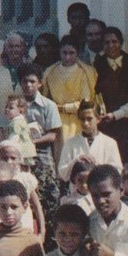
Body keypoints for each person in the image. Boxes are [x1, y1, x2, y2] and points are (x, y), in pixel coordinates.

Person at [42, 35, 98, 166]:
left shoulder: (84, 72)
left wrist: (63, 108)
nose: (67, 57)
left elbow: (86, 101)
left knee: (79, 156)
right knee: (60, 156)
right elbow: (46, 98)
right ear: (59, 52)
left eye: (71, 53)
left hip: (78, 120)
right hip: (57, 121)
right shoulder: (50, 72)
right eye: (64, 53)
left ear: (77, 53)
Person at [94, 27, 128, 164]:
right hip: (105, 125)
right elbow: (94, 94)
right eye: (107, 42)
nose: (111, 45)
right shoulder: (97, 64)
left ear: (121, 42)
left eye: (114, 41)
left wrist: (117, 114)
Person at [57, 99, 123, 183]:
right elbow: (63, 174)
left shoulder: (109, 143)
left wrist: (97, 164)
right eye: (82, 119)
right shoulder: (71, 143)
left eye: (89, 119)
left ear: (98, 119)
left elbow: (117, 172)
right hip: (77, 194)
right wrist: (76, 161)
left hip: (100, 191)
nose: (85, 123)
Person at [18, 62, 62, 172]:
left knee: (46, 183)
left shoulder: (49, 105)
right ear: (20, 83)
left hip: (42, 152)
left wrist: (33, 141)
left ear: (40, 83)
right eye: (25, 81)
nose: (28, 85)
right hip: (20, 151)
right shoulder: (15, 104)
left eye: (32, 81)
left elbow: (53, 135)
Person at [0, 32, 30, 125]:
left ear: (23, 49)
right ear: (5, 49)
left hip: (26, 123)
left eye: (17, 46)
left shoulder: (30, 71)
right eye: (10, 46)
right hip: (3, 124)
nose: (14, 49)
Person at [3, 94, 37, 166]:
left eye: (11, 108)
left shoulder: (16, 123)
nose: (7, 109)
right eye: (6, 107)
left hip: (23, 153)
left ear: (21, 110)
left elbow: (13, 139)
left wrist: (7, 148)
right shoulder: (21, 120)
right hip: (27, 153)